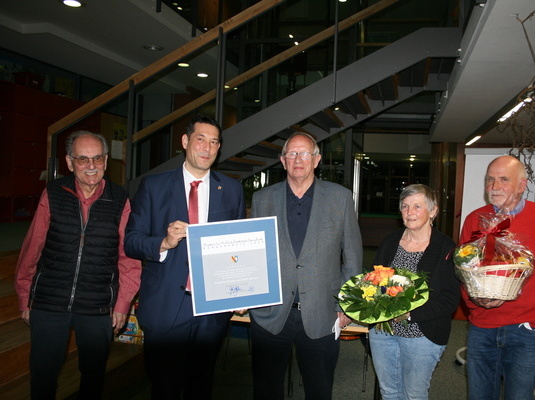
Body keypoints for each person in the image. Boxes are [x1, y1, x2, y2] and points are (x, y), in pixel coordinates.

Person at [14, 130, 142, 400]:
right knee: (43, 375)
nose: (92, 166)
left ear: (106, 161)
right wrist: (26, 296)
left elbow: (128, 259)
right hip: (50, 300)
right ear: (70, 162)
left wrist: (121, 305)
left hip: (97, 306)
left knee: (93, 376)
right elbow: (32, 247)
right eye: (83, 159)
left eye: (97, 158)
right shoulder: (52, 194)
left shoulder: (120, 200)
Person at [124, 116, 245, 399]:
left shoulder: (231, 189)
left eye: (214, 142)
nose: (207, 147)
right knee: (164, 387)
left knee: (200, 387)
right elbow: (131, 242)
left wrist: (242, 291)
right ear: (185, 141)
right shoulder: (153, 186)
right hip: (166, 307)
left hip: (211, 313)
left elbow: (236, 250)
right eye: (201, 139)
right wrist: (164, 243)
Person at [249, 132, 363, 400]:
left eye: (304, 153)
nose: (297, 159)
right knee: (265, 389)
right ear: (282, 160)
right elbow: (253, 254)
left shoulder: (340, 197)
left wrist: (346, 305)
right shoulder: (262, 199)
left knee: (319, 390)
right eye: (291, 153)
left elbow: (353, 257)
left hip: (323, 313)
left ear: (317, 160)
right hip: (270, 313)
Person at [460, 155, 535, 400]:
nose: (494, 186)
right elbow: (463, 273)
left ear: (522, 185)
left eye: (503, 179)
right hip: (483, 326)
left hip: (528, 330)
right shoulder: (475, 220)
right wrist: (475, 301)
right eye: (490, 180)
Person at [368, 184, 460, 400]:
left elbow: (449, 299)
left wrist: (409, 314)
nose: (410, 212)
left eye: (417, 206)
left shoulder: (446, 248)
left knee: (414, 395)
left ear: (433, 211)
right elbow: (372, 282)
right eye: (405, 206)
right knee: (389, 393)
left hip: (422, 335)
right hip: (383, 333)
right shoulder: (390, 242)